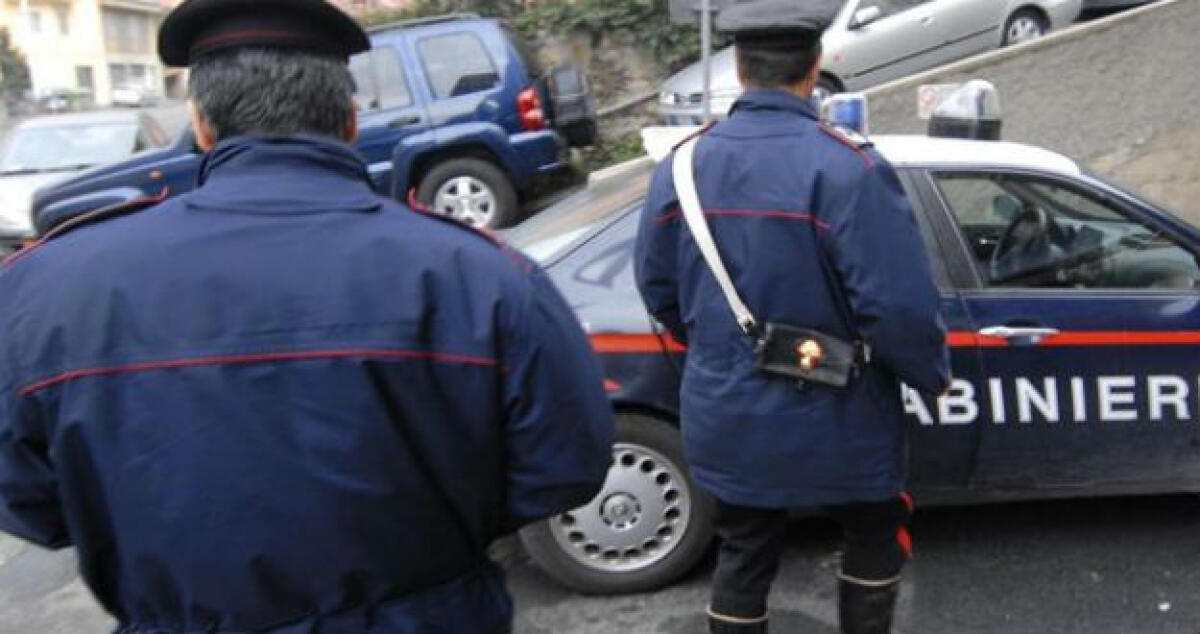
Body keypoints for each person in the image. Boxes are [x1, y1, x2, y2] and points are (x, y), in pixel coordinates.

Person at [0, 0, 614, 631]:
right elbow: (564, 468)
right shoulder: (479, 276)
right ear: (351, 122)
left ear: (201, 126)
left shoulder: (42, 292)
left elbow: (27, 500)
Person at [634, 1, 950, 632]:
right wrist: (929, 374)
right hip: (844, 409)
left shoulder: (684, 166)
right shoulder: (848, 168)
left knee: (744, 550)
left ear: (740, 73)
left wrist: (721, 353)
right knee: (872, 530)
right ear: (816, 69)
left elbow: (657, 287)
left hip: (727, 410)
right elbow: (895, 308)